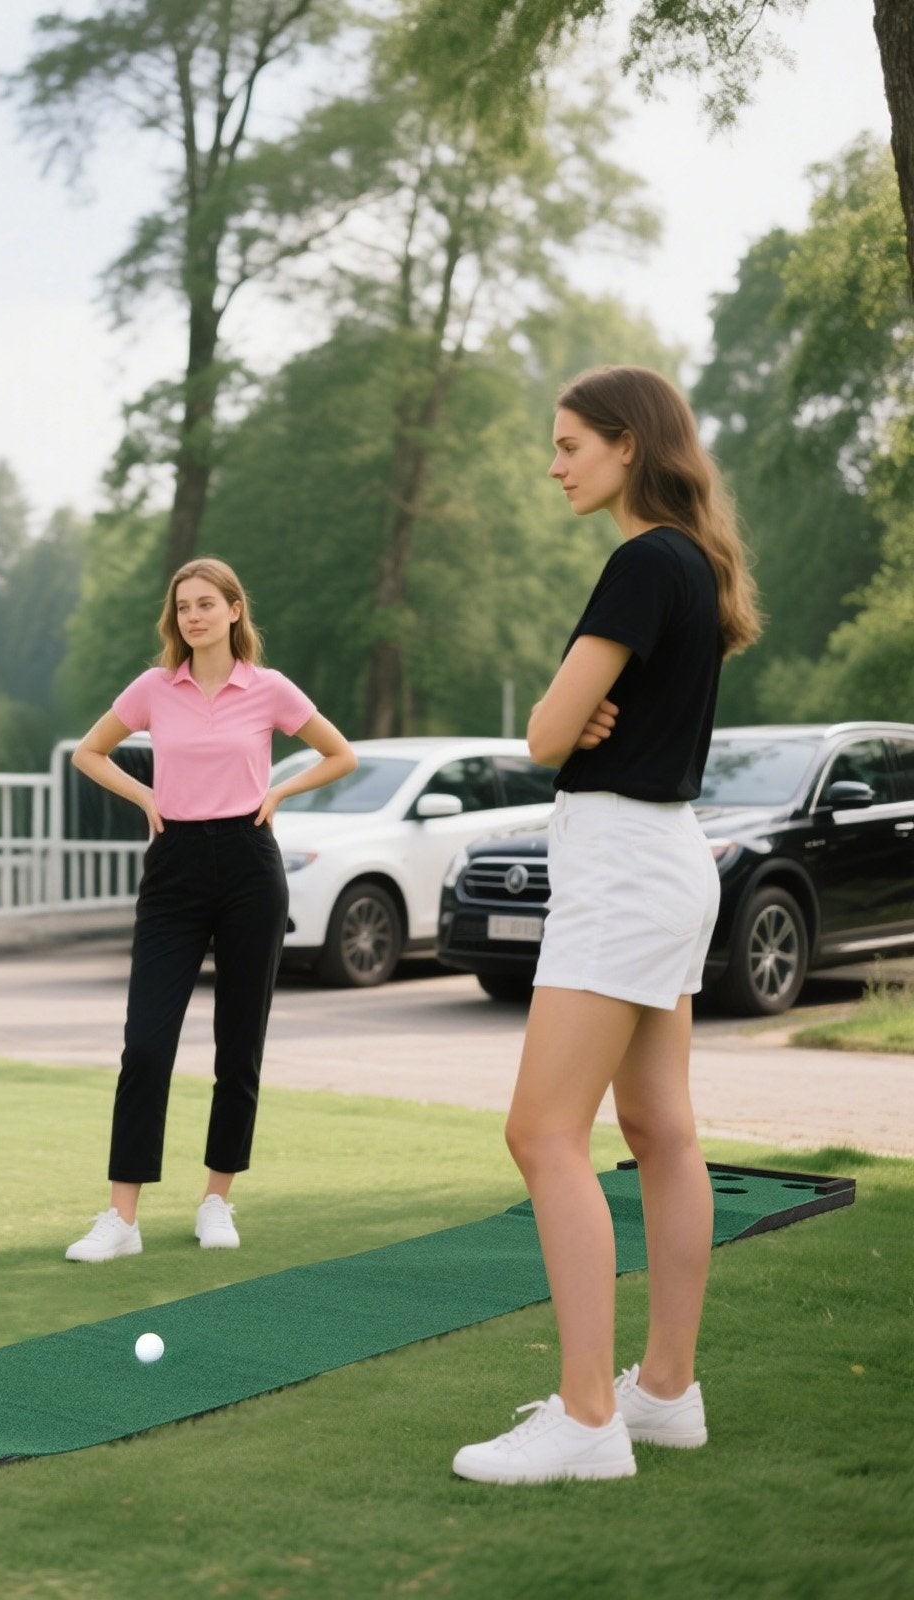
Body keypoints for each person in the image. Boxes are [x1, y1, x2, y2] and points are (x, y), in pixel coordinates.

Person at [452, 366, 761, 1484]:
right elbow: (580, 724)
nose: (555, 463)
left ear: (628, 445)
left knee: (542, 1132)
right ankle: (663, 1394)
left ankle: (589, 1418)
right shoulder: (694, 559)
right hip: (670, 857)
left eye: (571, 443)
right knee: (662, 1128)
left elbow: (542, 731)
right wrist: (584, 720)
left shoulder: (641, 561)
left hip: (626, 863)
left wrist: (571, 718)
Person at [63, 557, 356, 1262]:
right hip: (174, 866)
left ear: (232, 610)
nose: (193, 616)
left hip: (251, 862)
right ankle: (121, 1218)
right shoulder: (155, 688)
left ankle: (216, 1199)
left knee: (238, 1042)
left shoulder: (270, 689)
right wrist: (146, 798)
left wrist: (279, 794)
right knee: (147, 1043)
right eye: (183, 607)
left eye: (205, 604)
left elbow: (339, 754)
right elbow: (90, 752)